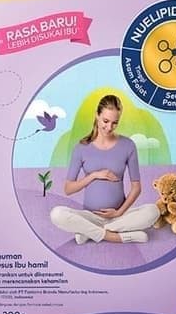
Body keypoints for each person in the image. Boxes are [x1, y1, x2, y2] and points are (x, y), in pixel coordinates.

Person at [49, 94, 159, 244]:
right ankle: (116, 236)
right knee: (57, 214)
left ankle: (89, 232)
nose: (109, 127)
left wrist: (119, 212)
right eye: (105, 121)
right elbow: (68, 189)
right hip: (90, 216)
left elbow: (136, 187)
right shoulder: (81, 148)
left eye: (115, 123)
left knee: (153, 211)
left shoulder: (128, 145)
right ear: (97, 115)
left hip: (120, 216)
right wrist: (94, 175)